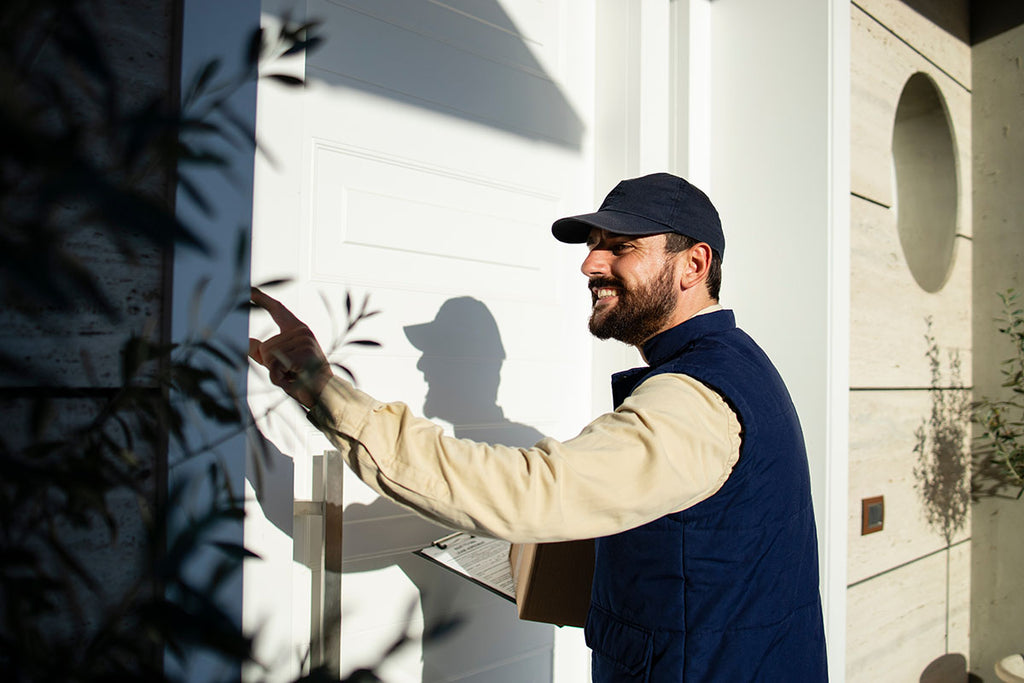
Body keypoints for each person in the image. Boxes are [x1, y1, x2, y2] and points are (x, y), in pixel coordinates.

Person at [249, 172, 828, 681]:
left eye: (619, 248)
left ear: (693, 265)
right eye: (593, 246)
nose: (589, 264)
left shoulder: (694, 398)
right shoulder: (734, 363)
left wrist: (326, 393)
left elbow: (533, 491)